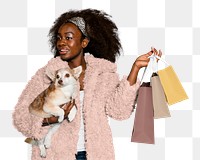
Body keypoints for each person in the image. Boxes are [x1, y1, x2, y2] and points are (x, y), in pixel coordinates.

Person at [12, 9, 161, 160]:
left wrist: (135, 68)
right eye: (59, 38)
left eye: (68, 37)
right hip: (53, 154)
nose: (61, 42)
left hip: (95, 154)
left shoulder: (103, 75)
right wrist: (50, 119)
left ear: (84, 42)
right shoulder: (47, 75)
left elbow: (119, 112)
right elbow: (21, 117)